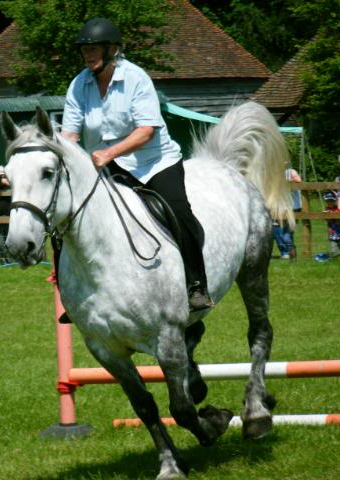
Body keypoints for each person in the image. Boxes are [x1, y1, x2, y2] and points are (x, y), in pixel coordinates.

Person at [61, 18, 212, 310]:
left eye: (93, 49)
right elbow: (69, 134)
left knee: (179, 211)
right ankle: (76, 293)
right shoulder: (79, 84)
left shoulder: (136, 78)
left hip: (154, 162)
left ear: (112, 49)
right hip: (107, 166)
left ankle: (196, 285)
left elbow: (145, 131)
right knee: (70, 217)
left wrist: (108, 154)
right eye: (84, 50)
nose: (88, 55)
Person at [273, 168, 301, 259]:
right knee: (276, 228)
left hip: (294, 208)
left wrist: (287, 181)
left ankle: (289, 253)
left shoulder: (291, 172)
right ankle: (287, 252)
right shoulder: (276, 173)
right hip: (282, 208)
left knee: (287, 233)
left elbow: (299, 180)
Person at [323, 191, 340, 259]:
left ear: (335, 201)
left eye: (331, 201)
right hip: (332, 233)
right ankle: (334, 258)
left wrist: (333, 214)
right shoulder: (326, 209)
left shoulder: (338, 208)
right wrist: (326, 215)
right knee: (334, 249)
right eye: (328, 201)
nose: (330, 202)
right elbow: (327, 220)